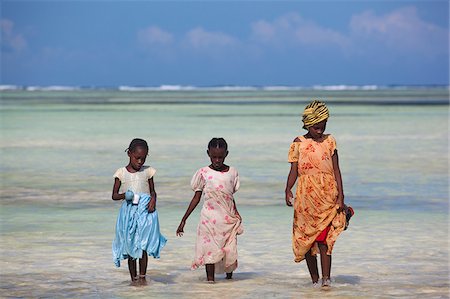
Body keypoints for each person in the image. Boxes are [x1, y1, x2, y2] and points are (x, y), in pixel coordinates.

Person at [285, 100, 348, 288]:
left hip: (328, 194)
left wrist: (341, 196)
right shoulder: (298, 143)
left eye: (323, 126)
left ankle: (326, 281)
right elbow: (294, 171)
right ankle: (314, 281)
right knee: (305, 240)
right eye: (316, 126)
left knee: (324, 240)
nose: (320, 130)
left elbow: (336, 169)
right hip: (306, 197)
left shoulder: (330, 141)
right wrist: (287, 189)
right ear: (307, 124)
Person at [176, 138, 243, 283]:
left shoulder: (232, 172)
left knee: (229, 249)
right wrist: (183, 219)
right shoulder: (203, 173)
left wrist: (236, 213)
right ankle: (210, 282)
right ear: (208, 154)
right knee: (209, 250)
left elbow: (229, 196)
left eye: (220, 157)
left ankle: (229, 280)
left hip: (227, 219)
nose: (217, 160)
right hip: (209, 219)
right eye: (214, 157)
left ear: (226, 154)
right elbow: (196, 198)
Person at [112, 138, 167, 286]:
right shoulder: (121, 173)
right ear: (129, 154)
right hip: (129, 213)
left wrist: (153, 201)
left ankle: (142, 277)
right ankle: (133, 279)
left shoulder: (148, 171)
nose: (140, 161)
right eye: (137, 158)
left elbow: (153, 191)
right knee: (131, 244)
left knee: (143, 244)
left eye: (143, 158)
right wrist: (126, 196)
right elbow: (114, 195)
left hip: (145, 211)